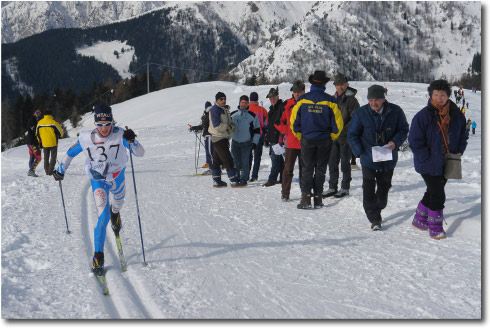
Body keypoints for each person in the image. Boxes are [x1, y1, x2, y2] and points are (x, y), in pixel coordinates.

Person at [52, 104, 145, 274]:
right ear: (95, 124)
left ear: (112, 122)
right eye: (100, 125)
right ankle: (98, 256)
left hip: (117, 178)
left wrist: (133, 141)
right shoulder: (87, 137)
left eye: (107, 124)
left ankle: (116, 213)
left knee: (118, 203)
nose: (104, 128)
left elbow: (140, 153)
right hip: (98, 181)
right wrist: (60, 171)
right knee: (103, 217)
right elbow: (71, 153)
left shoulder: (120, 135)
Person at [408, 80, 468, 239]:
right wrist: (425, 158)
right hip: (428, 162)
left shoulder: (456, 114)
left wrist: (459, 151)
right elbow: (415, 141)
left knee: (433, 191)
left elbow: (463, 134)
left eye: (442, 95)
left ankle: (419, 219)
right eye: (436, 94)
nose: (439, 98)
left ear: (448, 95)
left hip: (448, 161)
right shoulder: (423, 116)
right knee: (438, 194)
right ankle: (435, 227)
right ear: (431, 95)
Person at [347, 84, 409, 230]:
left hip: (388, 158)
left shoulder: (396, 111)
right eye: (370, 100)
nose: (373, 103)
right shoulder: (361, 113)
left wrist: (395, 142)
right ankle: (374, 219)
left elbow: (404, 129)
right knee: (368, 189)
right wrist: (360, 152)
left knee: (383, 190)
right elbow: (352, 134)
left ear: (383, 99)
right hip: (368, 158)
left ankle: (379, 207)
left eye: (376, 100)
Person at [290, 70, 343, 209]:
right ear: (324, 84)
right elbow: (338, 124)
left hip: (307, 139)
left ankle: (306, 198)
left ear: (312, 83)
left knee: (307, 169)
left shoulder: (302, 99)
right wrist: (331, 137)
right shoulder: (330, 100)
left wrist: (300, 135)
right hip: (324, 140)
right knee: (320, 169)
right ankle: (318, 198)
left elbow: (294, 121)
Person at [324, 74, 360, 198]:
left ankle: (345, 187)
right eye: (337, 84)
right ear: (335, 86)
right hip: (333, 138)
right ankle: (332, 187)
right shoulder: (332, 99)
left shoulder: (352, 100)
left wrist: (342, 130)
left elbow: (355, 120)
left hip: (345, 137)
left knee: (345, 163)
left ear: (347, 85)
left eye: (342, 84)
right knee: (332, 163)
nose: (340, 87)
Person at [274, 80, 305, 201]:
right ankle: (285, 194)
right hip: (291, 143)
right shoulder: (286, 104)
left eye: (299, 92)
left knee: (305, 170)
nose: (297, 94)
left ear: (303, 91)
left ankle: (305, 193)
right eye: (295, 92)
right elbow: (277, 121)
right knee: (287, 170)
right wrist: (287, 130)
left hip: (305, 143)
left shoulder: (308, 103)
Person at [208, 92, 243, 188]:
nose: (223, 100)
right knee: (227, 159)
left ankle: (217, 181)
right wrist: (228, 127)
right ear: (217, 100)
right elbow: (217, 125)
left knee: (216, 160)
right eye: (221, 99)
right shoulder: (215, 110)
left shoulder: (224, 109)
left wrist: (232, 125)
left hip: (221, 137)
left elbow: (229, 121)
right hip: (219, 137)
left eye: (224, 99)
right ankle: (234, 181)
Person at [230, 95, 260, 185]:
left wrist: (255, 142)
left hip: (246, 143)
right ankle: (236, 178)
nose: (244, 104)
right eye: (242, 102)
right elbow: (227, 128)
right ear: (239, 103)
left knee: (245, 162)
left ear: (248, 104)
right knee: (235, 161)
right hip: (235, 142)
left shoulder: (252, 116)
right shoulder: (233, 115)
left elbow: (257, 130)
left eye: (246, 103)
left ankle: (244, 179)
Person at [263, 87, 285, 187]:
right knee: (279, 159)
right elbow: (269, 125)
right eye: (270, 98)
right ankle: (283, 177)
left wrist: (281, 136)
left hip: (278, 139)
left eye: (273, 98)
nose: (272, 100)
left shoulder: (281, 108)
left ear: (277, 97)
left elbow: (282, 123)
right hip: (272, 138)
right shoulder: (272, 109)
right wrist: (267, 138)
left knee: (275, 159)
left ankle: (272, 179)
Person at [248, 92, 269, 181]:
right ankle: (254, 176)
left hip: (248, 136)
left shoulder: (247, 108)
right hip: (259, 136)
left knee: (248, 156)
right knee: (257, 157)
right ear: (257, 99)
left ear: (250, 99)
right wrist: (265, 134)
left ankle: (246, 175)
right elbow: (266, 124)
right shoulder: (262, 110)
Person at [36, 109, 63, 175]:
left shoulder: (39, 123)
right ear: (50, 114)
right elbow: (60, 132)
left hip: (44, 143)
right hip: (53, 142)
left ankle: (46, 170)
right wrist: (61, 136)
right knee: (53, 157)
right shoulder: (53, 122)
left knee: (46, 157)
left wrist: (39, 139)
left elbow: (37, 133)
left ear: (44, 115)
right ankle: (50, 171)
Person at [189, 101, 213, 171]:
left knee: (210, 151)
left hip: (209, 135)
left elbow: (202, 126)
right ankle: (209, 163)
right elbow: (202, 126)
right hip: (207, 135)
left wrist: (194, 128)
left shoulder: (208, 115)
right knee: (209, 151)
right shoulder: (207, 115)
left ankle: (213, 168)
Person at [26, 109, 43, 177]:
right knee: (38, 157)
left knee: (32, 157)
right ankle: (31, 171)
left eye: (39, 112)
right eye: (37, 112)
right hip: (33, 142)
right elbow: (35, 130)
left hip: (30, 142)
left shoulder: (36, 119)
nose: (38, 113)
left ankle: (31, 171)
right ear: (34, 113)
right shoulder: (32, 120)